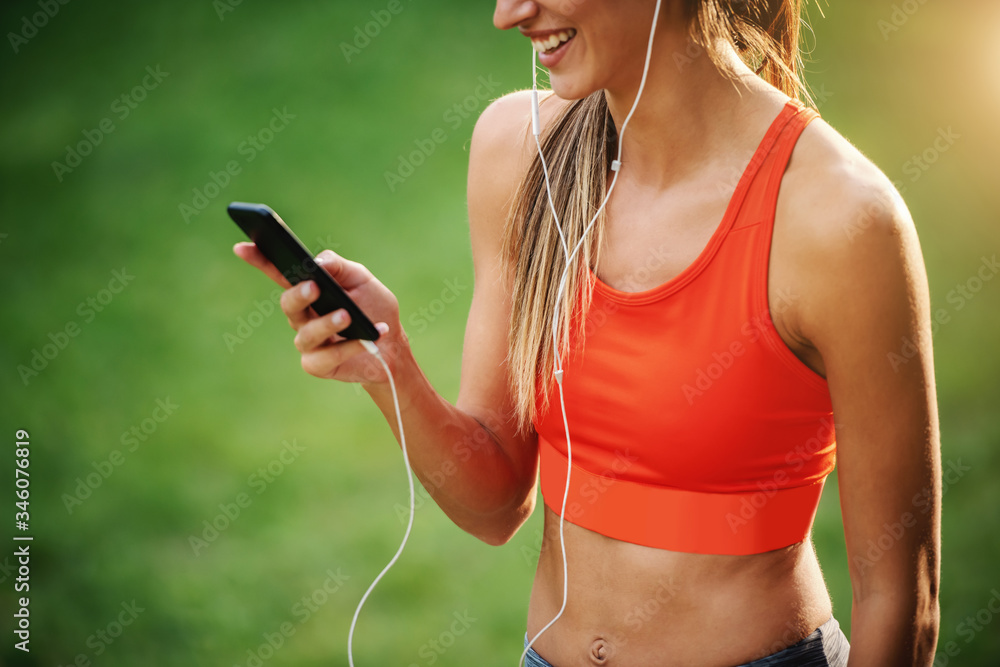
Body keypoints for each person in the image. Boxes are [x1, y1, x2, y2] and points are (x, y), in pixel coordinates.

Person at [235, 0, 942, 664]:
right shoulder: (521, 154)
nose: (506, 14)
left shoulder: (839, 219)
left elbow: (900, 602)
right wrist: (386, 365)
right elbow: (494, 500)